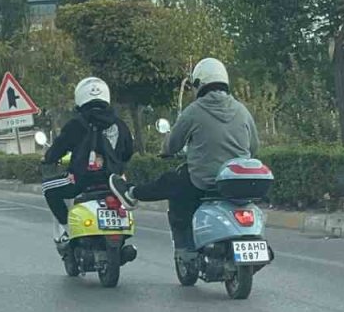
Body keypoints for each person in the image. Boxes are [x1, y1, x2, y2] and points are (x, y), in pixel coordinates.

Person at [108, 58, 259, 253]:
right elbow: (254, 147)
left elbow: (172, 145)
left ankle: (132, 195)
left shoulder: (194, 111)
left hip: (204, 181)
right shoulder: (242, 111)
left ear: (199, 84)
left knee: (171, 181)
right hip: (236, 182)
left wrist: (166, 151)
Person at [41, 77, 134, 245]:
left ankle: (69, 231)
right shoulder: (120, 125)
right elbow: (128, 153)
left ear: (80, 97)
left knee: (48, 188)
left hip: (81, 180)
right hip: (113, 182)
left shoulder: (76, 124)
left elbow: (57, 149)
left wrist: (48, 159)